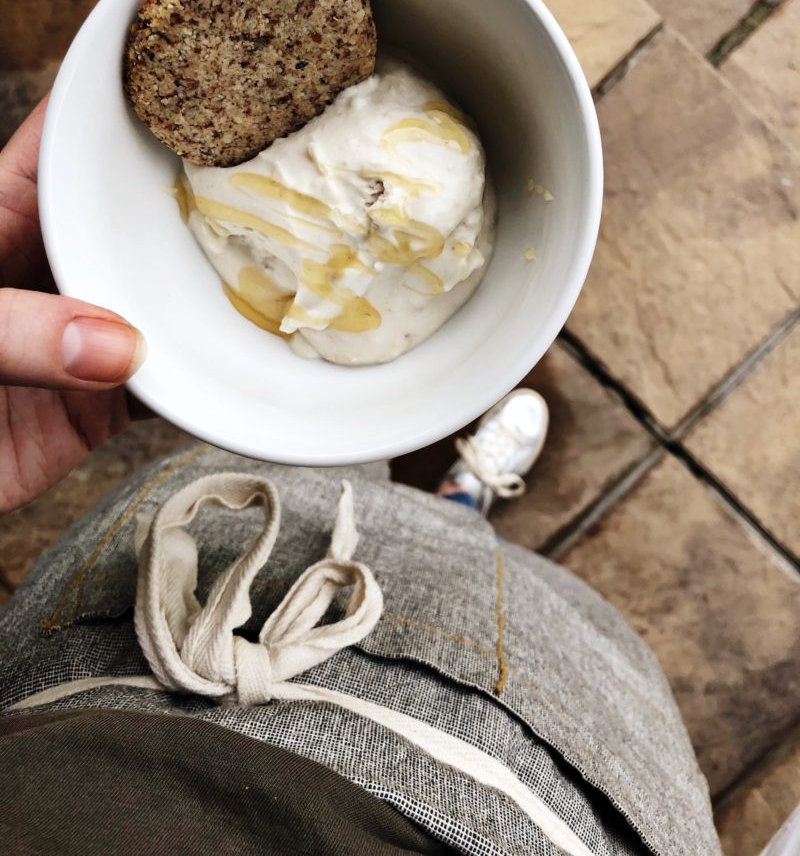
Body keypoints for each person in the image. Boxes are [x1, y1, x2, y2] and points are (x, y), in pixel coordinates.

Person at [0, 103, 722, 856]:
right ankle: (451, 510)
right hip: (523, 804)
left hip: (107, 676)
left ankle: (396, 490)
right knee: (499, 592)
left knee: (280, 481)